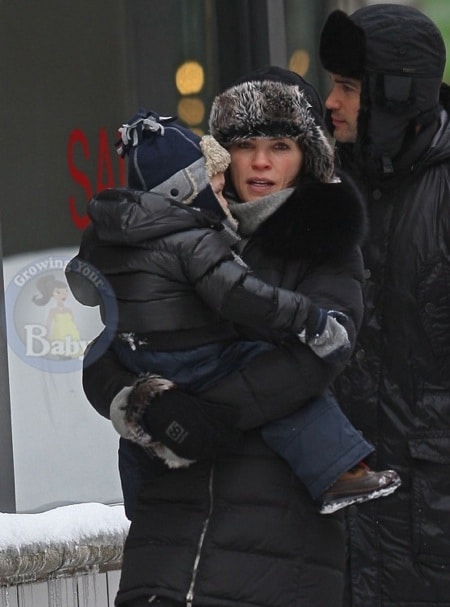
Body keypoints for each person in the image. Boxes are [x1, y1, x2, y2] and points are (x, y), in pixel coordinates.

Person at [80, 66, 391, 607]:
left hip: (278, 525)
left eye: (281, 145)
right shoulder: (169, 232)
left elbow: (318, 356)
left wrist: (202, 413)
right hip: (169, 523)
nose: (262, 162)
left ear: (308, 157)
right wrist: (143, 406)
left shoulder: (327, 247)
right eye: (245, 145)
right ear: (219, 158)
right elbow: (106, 347)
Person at [319, 5, 450, 605]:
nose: (331, 102)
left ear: (395, 95)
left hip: (431, 530)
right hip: (334, 540)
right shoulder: (320, 187)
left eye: (347, 87)